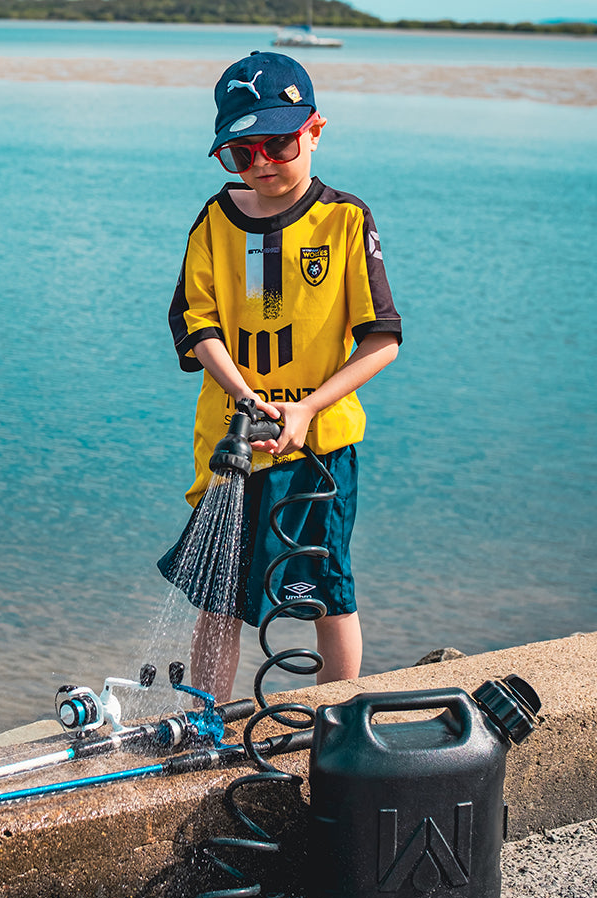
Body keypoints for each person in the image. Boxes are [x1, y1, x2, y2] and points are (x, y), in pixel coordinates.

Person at [158, 51, 402, 702]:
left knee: (329, 592)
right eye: (242, 152)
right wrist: (247, 398)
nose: (263, 162)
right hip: (232, 444)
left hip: (320, 448)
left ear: (314, 130)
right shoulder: (215, 221)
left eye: (279, 143)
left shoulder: (346, 220)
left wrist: (306, 409)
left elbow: (382, 338)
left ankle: (337, 726)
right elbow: (194, 321)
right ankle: (202, 726)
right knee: (219, 599)